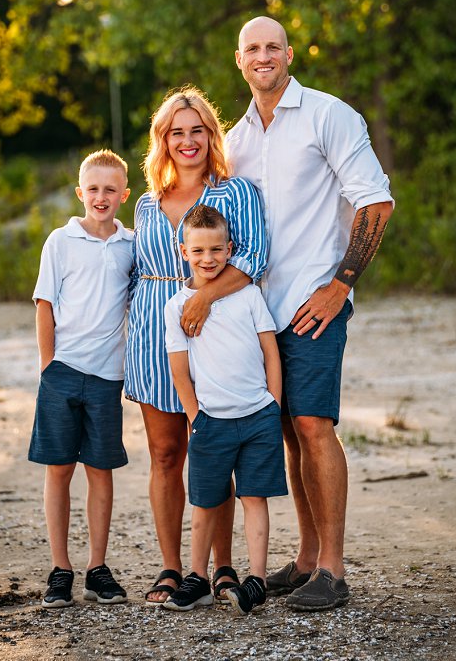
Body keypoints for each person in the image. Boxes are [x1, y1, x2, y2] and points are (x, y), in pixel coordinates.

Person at [222, 16, 394, 612]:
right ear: (239, 60)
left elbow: (375, 199)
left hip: (314, 305)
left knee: (316, 426)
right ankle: (304, 559)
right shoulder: (235, 139)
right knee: (290, 434)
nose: (263, 56)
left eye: (273, 46)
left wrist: (341, 284)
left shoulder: (329, 114)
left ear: (289, 54)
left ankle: (334, 570)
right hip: (256, 315)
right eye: (253, 49)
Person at [124, 86, 268, 605]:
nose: (188, 140)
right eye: (176, 132)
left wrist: (203, 297)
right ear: (163, 140)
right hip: (151, 333)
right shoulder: (145, 204)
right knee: (165, 454)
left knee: (216, 452)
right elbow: (134, 272)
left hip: (215, 338)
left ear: (212, 135)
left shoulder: (234, 193)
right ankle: (171, 568)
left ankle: (224, 568)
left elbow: (255, 257)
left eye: (197, 130)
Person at [162, 205, 287, 615]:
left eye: (217, 249)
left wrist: (273, 404)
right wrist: (196, 415)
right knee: (205, 501)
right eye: (198, 251)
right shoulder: (176, 306)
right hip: (211, 420)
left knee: (254, 497)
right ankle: (197, 578)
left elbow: (271, 350)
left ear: (230, 248)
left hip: (258, 417)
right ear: (184, 252)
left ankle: (256, 581)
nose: (208, 258)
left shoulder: (249, 295)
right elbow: (179, 370)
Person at [28, 149, 133, 608]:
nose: (101, 196)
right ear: (79, 193)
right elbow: (45, 304)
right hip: (63, 373)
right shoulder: (61, 241)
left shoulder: (131, 244)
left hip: (108, 377)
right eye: (93, 189)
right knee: (59, 470)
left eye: (111, 189)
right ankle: (60, 568)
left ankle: (97, 567)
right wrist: (49, 365)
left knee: (101, 471)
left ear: (124, 195)